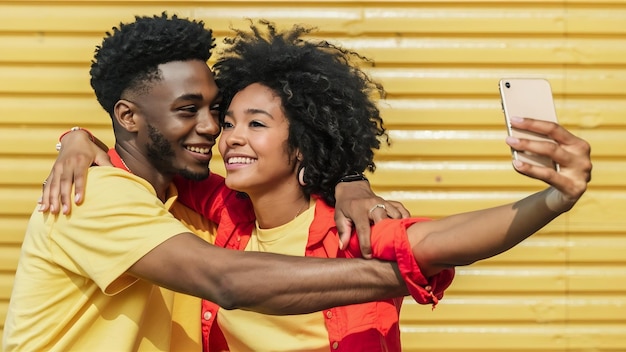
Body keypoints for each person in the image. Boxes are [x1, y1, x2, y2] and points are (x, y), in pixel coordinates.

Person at [39, 20, 592, 352]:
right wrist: (77, 136)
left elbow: (445, 238)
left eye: (253, 124)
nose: (221, 134)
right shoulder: (213, 207)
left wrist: (554, 198)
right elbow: (220, 274)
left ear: (302, 143)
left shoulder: (348, 225)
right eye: (225, 120)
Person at [2, 13, 436, 352]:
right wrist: (407, 274)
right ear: (128, 116)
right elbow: (226, 281)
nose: (214, 129)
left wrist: (348, 178)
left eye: (217, 111)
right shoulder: (90, 193)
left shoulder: (198, 201)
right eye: (189, 109)